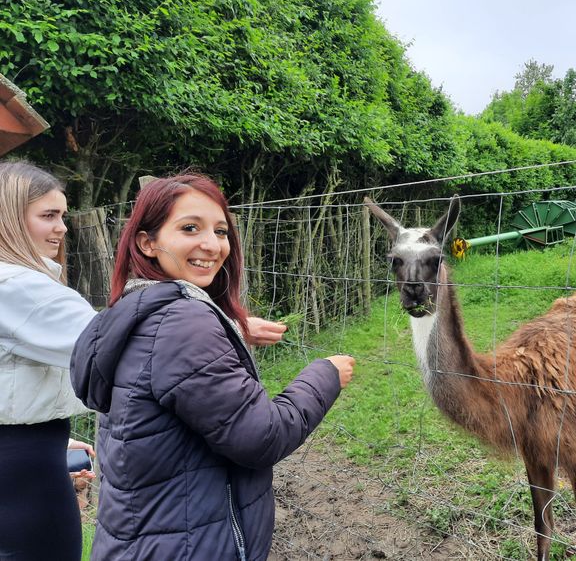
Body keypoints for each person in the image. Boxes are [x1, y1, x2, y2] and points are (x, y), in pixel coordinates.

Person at [70, 173, 355, 560]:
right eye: (190, 228)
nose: (212, 245)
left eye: (221, 231)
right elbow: (261, 437)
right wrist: (324, 375)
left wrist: (231, 329)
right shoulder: (185, 322)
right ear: (147, 242)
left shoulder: (132, 312)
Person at [0, 160, 97, 561]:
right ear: (8, 219)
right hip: (24, 472)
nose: (62, 227)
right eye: (48, 216)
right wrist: (210, 323)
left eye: (63, 215)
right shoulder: (19, 285)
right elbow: (108, 344)